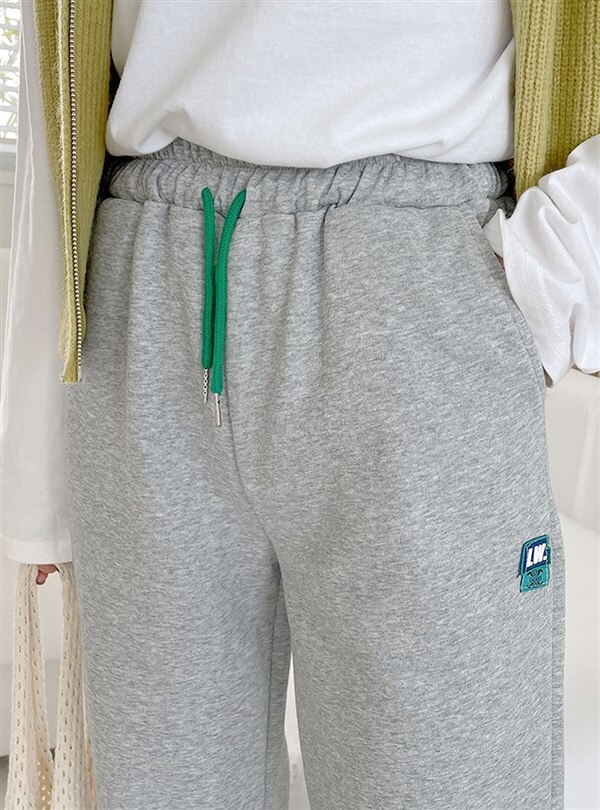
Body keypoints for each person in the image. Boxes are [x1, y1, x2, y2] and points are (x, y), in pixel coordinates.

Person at [2, 1, 599, 808]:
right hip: (146, 270)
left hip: (414, 271)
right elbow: (58, 75)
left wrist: (563, 262)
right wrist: (37, 466)